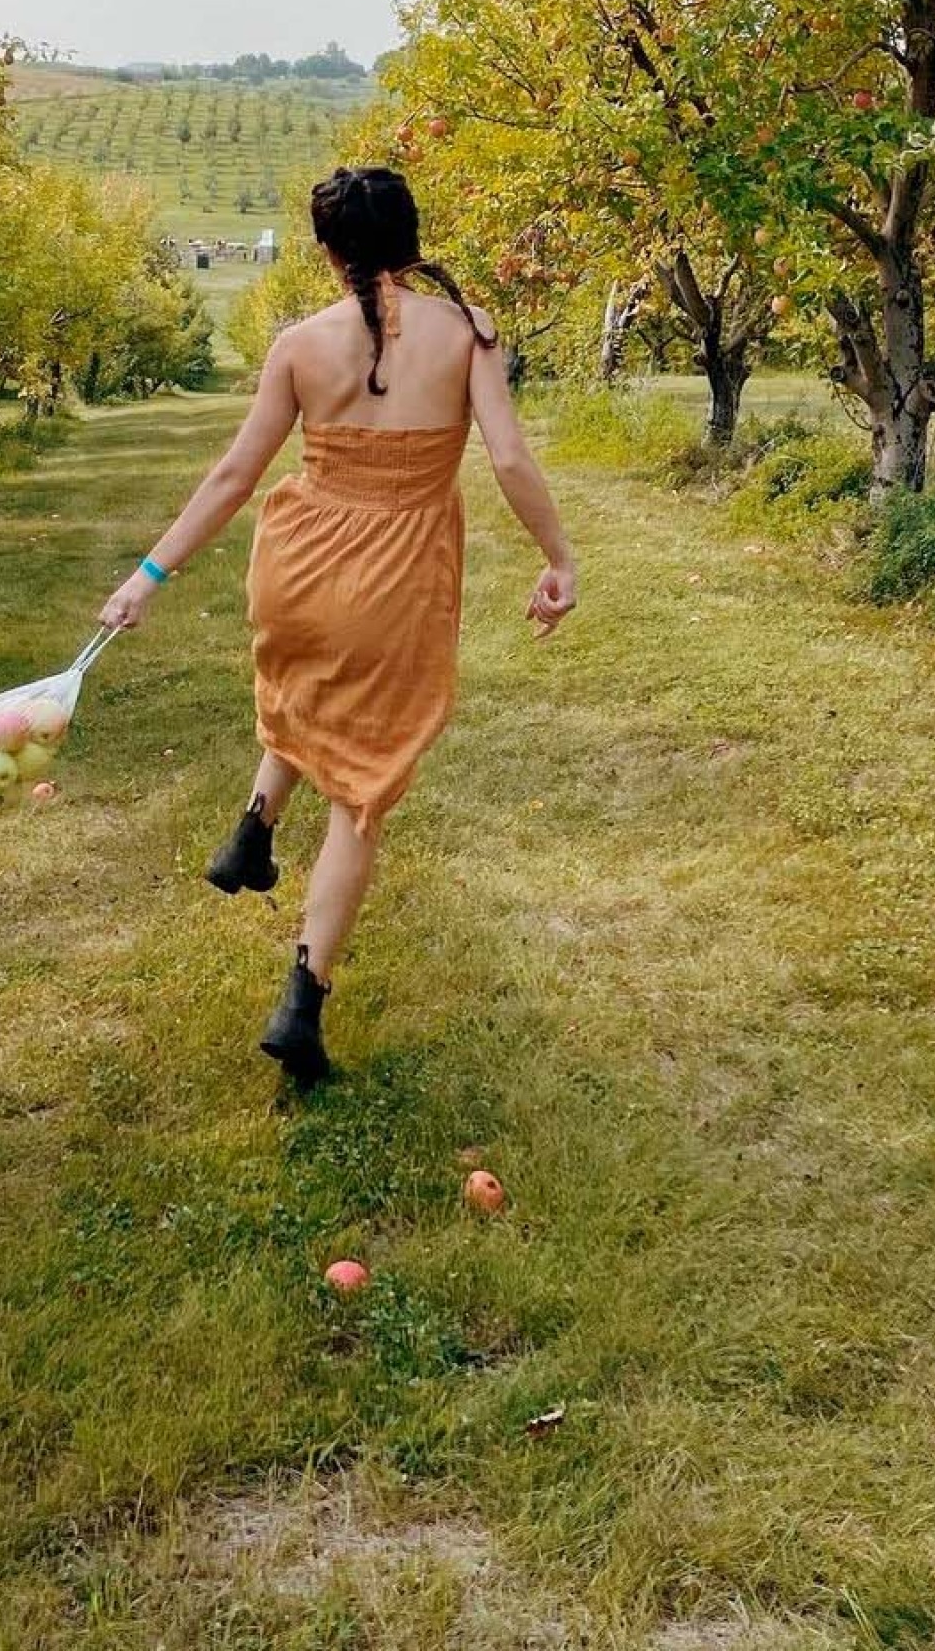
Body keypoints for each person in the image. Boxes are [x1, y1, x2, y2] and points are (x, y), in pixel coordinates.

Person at [98, 165, 576, 1087]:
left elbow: (234, 476)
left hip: (299, 565)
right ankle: (302, 1001)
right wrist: (559, 558)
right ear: (413, 237)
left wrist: (147, 576)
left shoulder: (297, 344)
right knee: (362, 791)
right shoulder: (469, 336)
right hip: (395, 581)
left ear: (326, 252)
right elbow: (509, 458)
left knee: (306, 678)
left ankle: (254, 823)